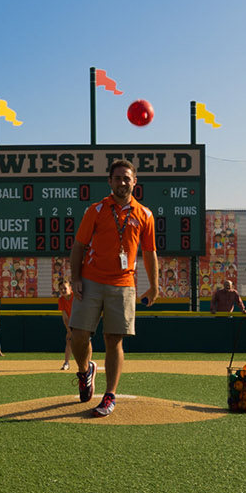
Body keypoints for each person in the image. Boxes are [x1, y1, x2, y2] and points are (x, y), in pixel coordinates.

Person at [68, 159, 159, 417]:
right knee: (78, 336)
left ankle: (109, 395)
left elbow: (150, 252)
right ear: (109, 181)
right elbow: (78, 247)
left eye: (126, 178)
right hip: (91, 280)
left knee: (113, 339)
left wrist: (154, 286)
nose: (122, 182)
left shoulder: (145, 215)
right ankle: (85, 371)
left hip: (123, 284)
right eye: (117, 178)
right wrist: (75, 277)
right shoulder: (95, 210)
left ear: (134, 182)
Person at [56, 275, 76, 369]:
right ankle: (66, 363)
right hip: (71, 322)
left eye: (65, 288)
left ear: (70, 288)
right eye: (61, 289)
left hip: (81, 320)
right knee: (69, 339)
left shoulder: (76, 297)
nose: (63, 291)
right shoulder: (61, 300)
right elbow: (65, 317)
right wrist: (69, 330)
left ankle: (88, 363)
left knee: (86, 342)